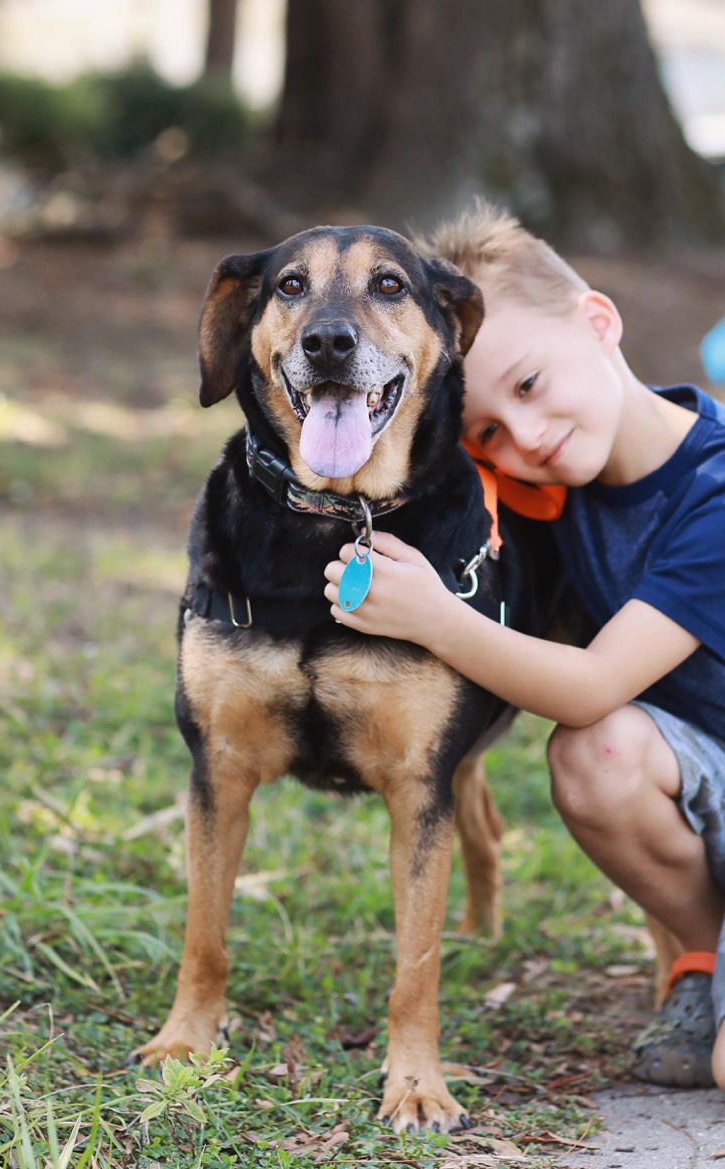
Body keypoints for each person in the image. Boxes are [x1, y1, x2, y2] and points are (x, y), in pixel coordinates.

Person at [323, 203, 725, 1090]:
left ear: (598, 321)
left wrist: (433, 615)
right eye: (490, 432)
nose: (526, 438)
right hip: (702, 778)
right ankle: (704, 957)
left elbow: (589, 684)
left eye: (531, 385)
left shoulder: (716, 493)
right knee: (595, 755)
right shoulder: (556, 488)